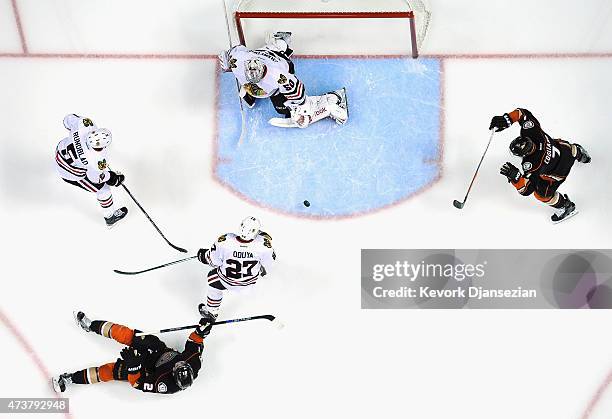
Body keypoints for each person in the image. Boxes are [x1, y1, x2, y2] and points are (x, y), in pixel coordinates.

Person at [52, 311, 211, 394]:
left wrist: (134, 367)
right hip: (157, 349)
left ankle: (69, 379)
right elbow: (195, 342)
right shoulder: (194, 362)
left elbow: (137, 384)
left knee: (107, 372)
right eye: (182, 363)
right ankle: (90, 325)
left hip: (143, 370)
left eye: (176, 367)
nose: (179, 362)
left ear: (174, 375)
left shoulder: (164, 385)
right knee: (127, 334)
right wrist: (201, 331)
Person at [219, 32, 348, 128]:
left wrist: (301, 110)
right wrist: (225, 63)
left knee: (283, 110)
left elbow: (298, 92)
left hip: (281, 63)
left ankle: (332, 100)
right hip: (265, 52)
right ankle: (279, 42)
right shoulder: (237, 61)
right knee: (273, 48)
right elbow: (232, 52)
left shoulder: (279, 77)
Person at [490, 108, 591, 223]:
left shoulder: (532, 165)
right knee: (563, 146)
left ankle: (566, 206)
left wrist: (516, 177)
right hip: (566, 151)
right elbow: (522, 113)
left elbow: (527, 190)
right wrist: (506, 119)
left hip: (559, 172)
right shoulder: (532, 131)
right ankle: (578, 152)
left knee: (541, 194)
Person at [55, 114, 127, 227]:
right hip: (68, 171)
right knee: (104, 190)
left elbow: (67, 120)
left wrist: (74, 136)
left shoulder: (84, 123)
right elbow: (97, 179)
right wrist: (113, 178)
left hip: (60, 152)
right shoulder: (96, 161)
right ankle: (110, 218)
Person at [197, 216, 276, 321]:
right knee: (260, 263)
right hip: (250, 284)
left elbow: (214, 262)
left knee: (212, 277)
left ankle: (212, 311)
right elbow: (269, 263)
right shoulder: (264, 245)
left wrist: (203, 256)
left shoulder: (225, 241)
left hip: (226, 282)